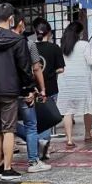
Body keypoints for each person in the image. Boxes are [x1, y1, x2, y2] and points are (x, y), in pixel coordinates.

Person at [0, 3, 35, 179]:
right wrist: (29, 89)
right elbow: (24, 68)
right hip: (9, 91)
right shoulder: (18, 40)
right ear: (11, 19)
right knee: (8, 129)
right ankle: (8, 169)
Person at [13, 15, 48, 172]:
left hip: (5, 91)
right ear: (20, 23)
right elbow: (36, 68)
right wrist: (42, 89)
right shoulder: (28, 43)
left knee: (3, 125)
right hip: (25, 90)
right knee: (31, 125)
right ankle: (33, 161)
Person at [58, 22, 92, 147]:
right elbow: (90, 61)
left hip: (66, 81)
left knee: (68, 111)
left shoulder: (63, 45)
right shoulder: (84, 44)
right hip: (82, 81)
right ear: (80, 33)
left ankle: (69, 139)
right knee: (87, 107)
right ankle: (87, 133)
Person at [35, 22, 65, 159]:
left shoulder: (30, 47)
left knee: (35, 119)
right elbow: (61, 69)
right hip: (51, 88)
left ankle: (37, 145)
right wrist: (51, 72)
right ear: (49, 33)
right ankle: (44, 145)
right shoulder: (54, 48)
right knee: (47, 119)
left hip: (34, 88)